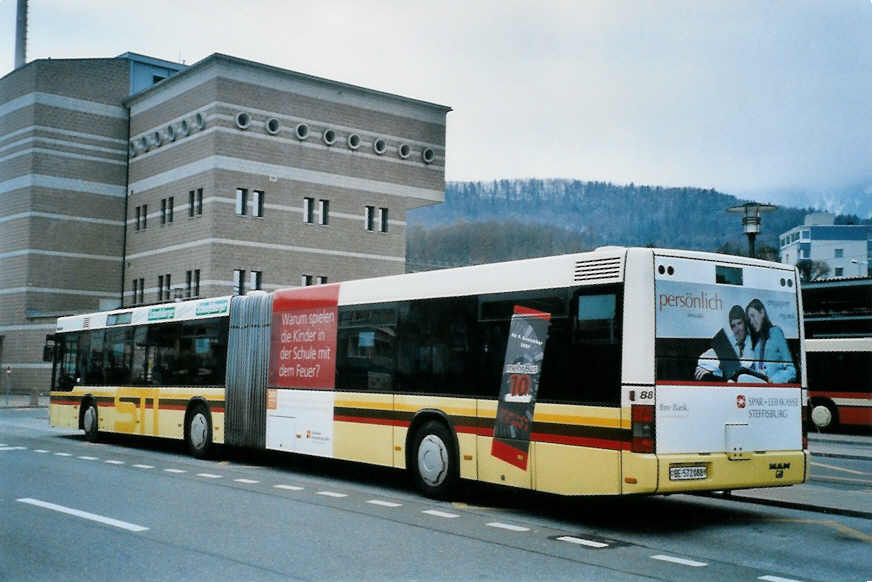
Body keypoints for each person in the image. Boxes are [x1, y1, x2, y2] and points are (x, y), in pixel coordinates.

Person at [695, 305, 752, 381]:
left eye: (739, 323)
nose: (737, 329)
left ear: (745, 323)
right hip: (726, 380)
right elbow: (702, 359)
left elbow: (747, 365)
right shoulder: (729, 341)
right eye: (733, 326)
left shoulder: (753, 341)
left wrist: (723, 364)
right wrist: (721, 365)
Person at [746, 298, 797, 384]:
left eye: (753, 316)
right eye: (749, 319)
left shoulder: (776, 332)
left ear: (762, 313)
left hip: (773, 387)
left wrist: (773, 380)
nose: (751, 322)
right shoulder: (757, 344)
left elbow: (791, 370)